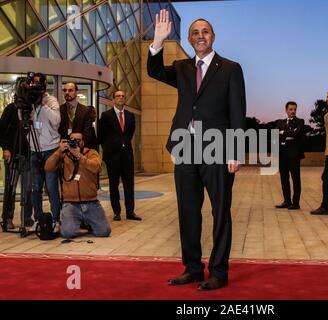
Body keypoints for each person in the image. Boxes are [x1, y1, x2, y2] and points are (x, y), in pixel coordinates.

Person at [147, 9, 246, 290]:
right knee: (187, 211)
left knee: (220, 212)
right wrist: (157, 41)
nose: (200, 36)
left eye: (205, 31)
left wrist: (235, 150)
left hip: (218, 149)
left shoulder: (230, 68)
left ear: (213, 36)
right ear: (189, 40)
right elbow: (153, 71)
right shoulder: (181, 68)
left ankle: (218, 271)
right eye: (195, 32)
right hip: (185, 149)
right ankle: (192, 268)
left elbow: (238, 111)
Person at [44, 132, 111, 238]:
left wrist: (80, 156)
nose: (75, 142)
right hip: (71, 204)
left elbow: (97, 167)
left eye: (78, 140)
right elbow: (48, 167)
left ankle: (85, 221)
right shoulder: (64, 155)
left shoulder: (91, 153)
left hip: (91, 202)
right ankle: (79, 221)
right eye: (72, 140)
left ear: (83, 142)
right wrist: (59, 151)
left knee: (104, 231)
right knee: (67, 233)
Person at [97, 90, 141, 221]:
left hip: (127, 155)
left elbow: (130, 134)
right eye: (118, 96)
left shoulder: (130, 116)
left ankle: (130, 212)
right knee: (113, 184)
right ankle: (117, 212)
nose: (121, 98)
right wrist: (109, 149)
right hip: (112, 156)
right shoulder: (106, 115)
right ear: (113, 100)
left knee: (129, 184)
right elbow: (101, 136)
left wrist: (124, 144)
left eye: (123, 96)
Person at [28, 73, 61, 228]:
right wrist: (31, 104)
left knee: (52, 187)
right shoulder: (28, 101)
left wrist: (42, 104)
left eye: (38, 84)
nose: (35, 86)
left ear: (45, 86)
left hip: (50, 150)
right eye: (33, 83)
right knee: (36, 188)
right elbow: (23, 121)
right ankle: (39, 219)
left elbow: (56, 122)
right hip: (34, 149)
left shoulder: (51, 100)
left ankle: (56, 219)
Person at [0, 97, 33, 229]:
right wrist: (5, 148)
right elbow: (1, 129)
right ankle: (7, 218)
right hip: (13, 153)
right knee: (10, 188)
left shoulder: (31, 109)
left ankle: (26, 218)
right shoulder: (10, 109)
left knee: (28, 188)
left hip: (29, 154)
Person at [275, 101, 305, 210]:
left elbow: (297, 134)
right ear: (286, 110)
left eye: (295, 109)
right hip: (282, 155)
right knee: (284, 179)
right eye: (291, 109)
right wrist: (289, 135)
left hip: (294, 155)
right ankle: (287, 201)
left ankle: (296, 203)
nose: (293, 111)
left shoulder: (300, 122)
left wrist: (283, 133)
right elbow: (276, 136)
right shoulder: (280, 122)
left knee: (295, 179)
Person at [59, 83, 96, 149]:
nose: (67, 92)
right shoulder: (59, 110)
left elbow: (88, 132)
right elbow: (58, 130)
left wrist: (82, 141)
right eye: (65, 90)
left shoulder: (85, 110)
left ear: (76, 92)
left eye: (70, 90)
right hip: (63, 148)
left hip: (80, 149)